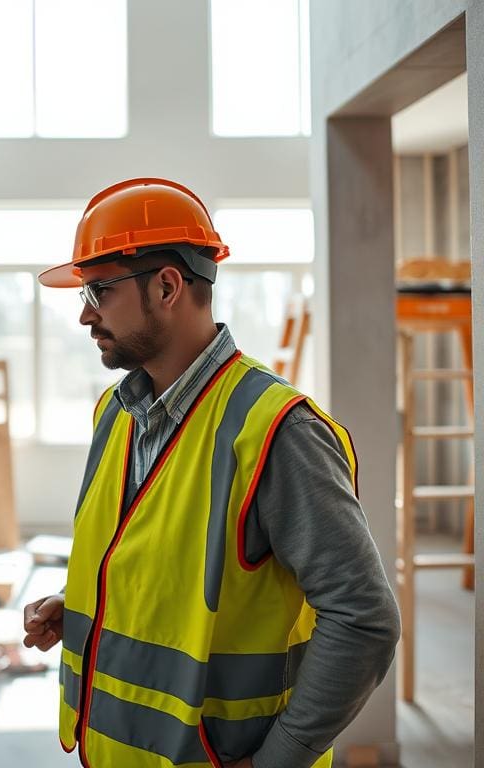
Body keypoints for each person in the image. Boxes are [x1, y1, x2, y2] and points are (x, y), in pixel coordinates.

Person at [22, 178, 400, 768]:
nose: (84, 315)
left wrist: (280, 760)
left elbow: (364, 618)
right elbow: (172, 571)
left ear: (167, 286)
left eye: (98, 291)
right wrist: (83, 605)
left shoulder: (276, 431)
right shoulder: (115, 414)